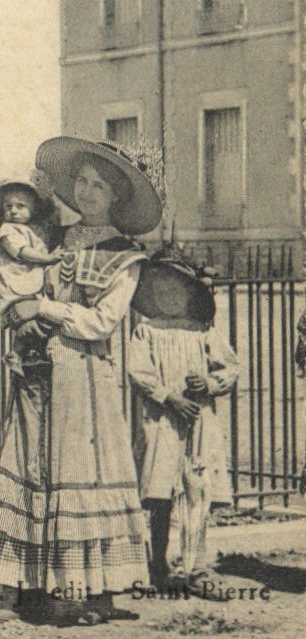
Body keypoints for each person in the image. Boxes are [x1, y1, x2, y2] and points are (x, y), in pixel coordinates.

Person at [0, 136, 162, 625]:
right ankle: (17, 585)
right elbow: (14, 287)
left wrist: (44, 308)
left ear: (115, 196)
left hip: (84, 375)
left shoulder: (125, 256)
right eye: (81, 181)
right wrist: (18, 317)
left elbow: (102, 322)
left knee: (78, 470)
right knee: (29, 464)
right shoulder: (48, 240)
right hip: (37, 370)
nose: (86, 191)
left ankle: (81, 590)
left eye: (98, 185)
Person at [128, 247, 239, 590]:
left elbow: (230, 367)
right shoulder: (146, 331)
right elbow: (138, 372)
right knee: (161, 495)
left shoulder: (202, 331)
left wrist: (208, 382)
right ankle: (159, 562)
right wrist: (170, 396)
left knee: (197, 490)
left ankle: (197, 565)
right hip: (162, 421)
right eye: (161, 290)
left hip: (199, 422)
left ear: (191, 293)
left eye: (175, 289)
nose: (168, 296)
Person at [0, 180, 64, 378]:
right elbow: (22, 251)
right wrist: (48, 258)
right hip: (14, 286)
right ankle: (17, 352)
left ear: (34, 209)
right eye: (8, 206)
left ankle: (19, 353)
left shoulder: (34, 229)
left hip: (29, 285)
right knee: (30, 320)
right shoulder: (7, 231)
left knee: (37, 320)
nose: (13, 211)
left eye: (20, 206)